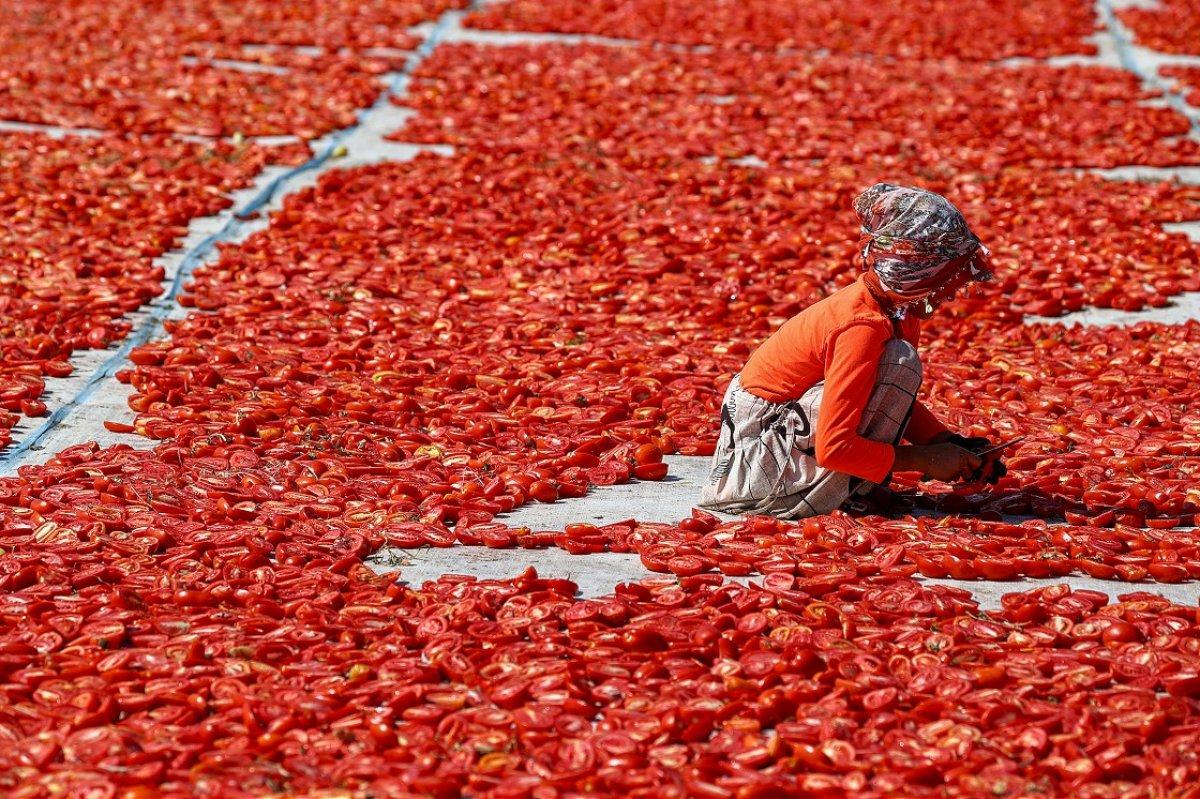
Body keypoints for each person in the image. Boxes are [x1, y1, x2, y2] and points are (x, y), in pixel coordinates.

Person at [699, 182, 1006, 519]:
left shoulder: (898, 309)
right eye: (949, 277)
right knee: (899, 362)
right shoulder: (861, 326)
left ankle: (849, 484)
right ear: (916, 269)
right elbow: (834, 448)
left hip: (784, 433)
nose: (953, 292)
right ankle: (817, 492)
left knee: (897, 362)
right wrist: (923, 459)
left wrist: (949, 441)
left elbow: (882, 394)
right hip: (754, 458)